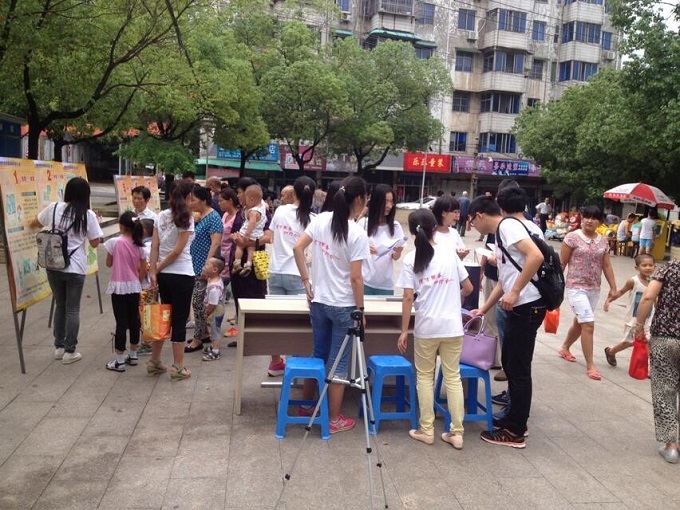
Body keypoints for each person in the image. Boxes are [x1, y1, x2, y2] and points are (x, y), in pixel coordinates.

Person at [468, 187, 546, 448]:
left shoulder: (507, 227)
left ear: (480, 215)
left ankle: (515, 432)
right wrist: (484, 308)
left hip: (527, 305)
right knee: (514, 366)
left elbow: (536, 256)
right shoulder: (513, 229)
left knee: (518, 369)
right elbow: (506, 278)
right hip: (525, 305)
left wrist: (515, 292)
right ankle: (514, 419)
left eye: (472, 221)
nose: (473, 226)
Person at [293, 176, 369, 433]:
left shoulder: (321, 220)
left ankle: (307, 405)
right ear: (358, 200)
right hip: (344, 306)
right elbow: (356, 278)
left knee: (318, 354)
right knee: (339, 364)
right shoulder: (357, 233)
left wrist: (306, 281)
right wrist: (360, 310)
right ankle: (334, 419)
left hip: (319, 302)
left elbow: (297, 248)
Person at [397, 209, 473, 448]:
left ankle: (426, 430)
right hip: (452, 327)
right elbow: (469, 288)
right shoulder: (450, 254)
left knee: (424, 377)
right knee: (453, 377)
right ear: (434, 227)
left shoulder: (411, 259)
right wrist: (453, 296)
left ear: (413, 231)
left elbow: (408, 297)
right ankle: (456, 433)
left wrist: (403, 331)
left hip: (427, 327)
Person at [33, 177, 103, 364]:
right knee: (73, 308)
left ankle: (59, 347)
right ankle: (70, 351)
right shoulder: (88, 215)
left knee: (60, 305)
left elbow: (37, 222)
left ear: (68, 192)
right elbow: (95, 243)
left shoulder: (54, 208)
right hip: (75, 268)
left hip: (53, 265)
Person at [229, 177, 283, 375]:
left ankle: (258, 341)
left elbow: (269, 236)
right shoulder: (240, 212)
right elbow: (234, 233)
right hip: (237, 261)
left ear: (249, 194)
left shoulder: (261, 212)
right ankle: (243, 337)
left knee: (255, 300)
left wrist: (250, 242)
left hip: (254, 264)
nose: (238, 196)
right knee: (239, 300)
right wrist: (236, 237)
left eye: (240, 192)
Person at [557, 206, 617, 380]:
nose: (589, 221)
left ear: (600, 221)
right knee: (588, 324)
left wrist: (613, 287)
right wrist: (556, 286)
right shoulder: (572, 237)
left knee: (580, 322)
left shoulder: (603, 241)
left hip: (594, 288)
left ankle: (565, 347)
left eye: (594, 218)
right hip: (575, 287)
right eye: (586, 217)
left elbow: (606, 265)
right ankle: (590, 365)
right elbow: (562, 263)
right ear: (582, 218)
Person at [149, 179, 195, 381]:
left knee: (164, 316)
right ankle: (178, 366)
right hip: (182, 274)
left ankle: (154, 361)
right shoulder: (187, 217)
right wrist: (158, 268)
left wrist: (154, 270)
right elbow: (177, 251)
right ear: (188, 196)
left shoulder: (160, 216)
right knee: (179, 320)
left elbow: (154, 246)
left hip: (164, 275)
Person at [635, 260, 680, 463]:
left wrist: (639, 326)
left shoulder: (670, 268)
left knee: (664, 390)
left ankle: (671, 446)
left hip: (665, 338)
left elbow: (648, 297)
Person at [103, 211, 147, 372]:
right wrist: (138, 282)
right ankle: (133, 354)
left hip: (118, 287)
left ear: (121, 226)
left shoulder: (114, 242)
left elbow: (109, 263)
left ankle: (120, 360)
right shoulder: (139, 245)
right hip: (134, 286)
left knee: (121, 323)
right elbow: (143, 269)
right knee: (134, 320)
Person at [184, 186, 223, 353]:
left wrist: (206, 267)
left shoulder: (213, 217)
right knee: (199, 301)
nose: (190, 203)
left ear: (204, 200)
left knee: (197, 302)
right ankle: (204, 333)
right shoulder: (201, 217)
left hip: (204, 267)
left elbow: (215, 243)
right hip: (197, 265)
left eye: (193, 200)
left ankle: (198, 338)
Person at [603, 254, 655, 366]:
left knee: (649, 340)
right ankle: (611, 351)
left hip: (649, 318)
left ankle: (649, 366)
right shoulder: (633, 281)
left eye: (650, 265)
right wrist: (609, 300)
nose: (648, 268)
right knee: (629, 341)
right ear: (637, 267)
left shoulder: (654, 282)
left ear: (654, 267)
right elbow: (621, 292)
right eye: (644, 265)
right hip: (633, 318)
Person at [267, 176, 316, 296]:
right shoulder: (313, 219)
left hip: (275, 270)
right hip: (297, 272)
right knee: (296, 308)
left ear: (294, 193)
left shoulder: (280, 211)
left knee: (276, 308)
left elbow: (272, 236)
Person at [359, 184, 405, 295]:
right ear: (376, 201)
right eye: (386, 202)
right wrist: (365, 248)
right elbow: (352, 251)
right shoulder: (363, 224)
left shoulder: (395, 227)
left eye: (391, 202)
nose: (389, 206)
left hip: (386, 285)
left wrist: (398, 251)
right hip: (365, 282)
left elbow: (395, 257)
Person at [232, 184, 267, 276]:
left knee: (240, 246)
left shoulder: (253, 211)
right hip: (256, 236)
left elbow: (252, 223)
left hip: (246, 234)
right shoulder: (262, 207)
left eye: (240, 193)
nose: (238, 196)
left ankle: (237, 263)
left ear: (251, 199)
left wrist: (246, 236)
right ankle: (248, 264)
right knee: (251, 249)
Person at [218, 187, 239, 338]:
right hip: (221, 257)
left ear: (230, 201)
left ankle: (237, 325)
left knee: (235, 293)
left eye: (221, 201)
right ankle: (215, 326)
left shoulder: (238, 217)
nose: (219, 203)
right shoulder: (225, 214)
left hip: (232, 258)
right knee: (219, 293)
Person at [201, 257, 226, 361]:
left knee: (215, 331)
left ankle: (216, 351)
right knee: (213, 329)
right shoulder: (213, 279)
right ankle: (213, 346)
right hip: (216, 309)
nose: (204, 266)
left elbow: (213, 303)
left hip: (215, 310)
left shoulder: (214, 287)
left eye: (207, 265)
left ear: (215, 269)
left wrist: (207, 312)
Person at [137, 219, 155, 356]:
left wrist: (137, 282)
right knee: (149, 311)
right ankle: (150, 340)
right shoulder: (153, 245)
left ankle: (148, 343)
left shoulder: (144, 248)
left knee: (145, 313)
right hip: (152, 284)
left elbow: (143, 268)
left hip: (145, 285)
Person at [431, 195, 469, 260]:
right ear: (443, 213)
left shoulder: (454, 232)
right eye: (455, 212)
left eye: (459, 212)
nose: (458, 216)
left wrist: (461, 255)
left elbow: (460, 253)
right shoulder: (431, 235)